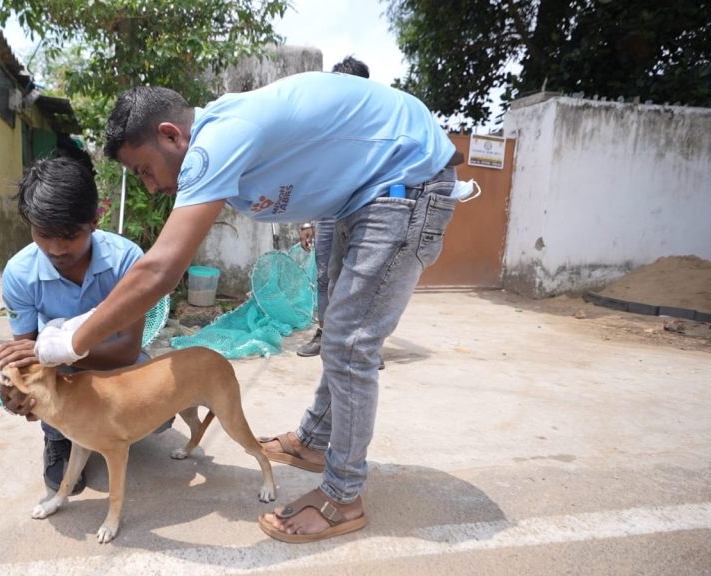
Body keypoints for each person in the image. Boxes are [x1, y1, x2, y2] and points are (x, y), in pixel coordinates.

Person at [32, 71, 462, 543]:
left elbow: (161, 271)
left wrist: (73, 340)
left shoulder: (216, 142)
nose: (150, 187)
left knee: (350, 345)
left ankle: (343, 497)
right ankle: (314, 441)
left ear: (171, 136)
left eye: (144, 170)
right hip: (355, 200)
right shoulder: (221, 141)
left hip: (404, 183)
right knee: (335, 332)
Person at [0, 156, 165, 495]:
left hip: (114, 361)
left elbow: (126, 350)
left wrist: (53, 352)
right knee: (37, 389)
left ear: (94, 221)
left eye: (69, 235)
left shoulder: (126, 260)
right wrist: (18, 391)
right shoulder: (20, 274)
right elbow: (28, 356)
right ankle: (57, 438)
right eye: (43, 234)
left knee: (161, 411)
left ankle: (112, 426)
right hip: (59, 367)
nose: (56, 248)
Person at [297, 55, 370, 358]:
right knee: (325, 274)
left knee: (363, 275)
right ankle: (325, 333)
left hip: (364, 209)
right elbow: (312, 173)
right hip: (328, 211)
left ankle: (361, 343)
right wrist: (305, 221)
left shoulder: (374, 122)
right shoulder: (325, 124)